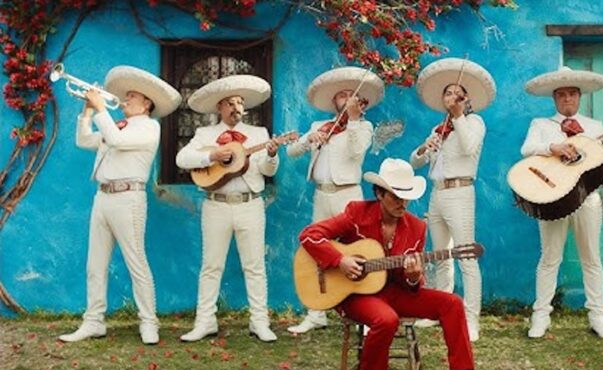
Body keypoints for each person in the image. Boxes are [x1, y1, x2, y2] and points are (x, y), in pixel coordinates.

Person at [299, 158, 500, 370]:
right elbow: (309, 235)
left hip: (393, 292)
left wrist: (413, 277)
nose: (402, 203)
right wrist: (340, 260)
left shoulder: (417, 227)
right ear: (379, 194)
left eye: (406, 197)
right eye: (395, 196)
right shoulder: (356, 213)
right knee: (386, 319)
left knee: (451, 303)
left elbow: (412, 286)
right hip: (354, 293)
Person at [59, 66, 181, 344]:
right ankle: (93, 321)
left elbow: (115, 140)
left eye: (132, 96)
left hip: (129, 199)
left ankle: (149, 322)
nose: (125, 100)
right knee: (95, 264)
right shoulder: (118, 125)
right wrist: (87, 112)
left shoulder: (150, 127)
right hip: (102, 197)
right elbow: (83, 140)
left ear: (146, 104)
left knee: (136, 262)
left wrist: (101, 109)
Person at [520, 67, 603, 340]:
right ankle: (541, 316)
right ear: (554, 98)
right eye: (561, 94)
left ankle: (598, 316)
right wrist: (552, 147)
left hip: (587, 199)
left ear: (579, 97)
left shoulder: (594, 127)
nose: (567, 98)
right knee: (549, 258)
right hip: (552, 199)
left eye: (572, 94)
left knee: (591, 258)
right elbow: (526, 150)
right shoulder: (541, 124)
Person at [175, 75, 279, 342]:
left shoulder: (259, 133)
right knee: (211, 266)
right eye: (230, 103)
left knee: (254, 266)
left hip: (250, 204)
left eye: (240, 103)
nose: (236, 107)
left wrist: (271, 155)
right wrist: (212, 155)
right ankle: (205, 322)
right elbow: (182, 158)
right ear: (219, 107)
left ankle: (260, 322)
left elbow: (268, 171)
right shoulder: (205, 134)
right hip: (216, 205)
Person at [286, 67, 384, 334]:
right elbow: (292, 151)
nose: (347, 98)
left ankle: (365, 313)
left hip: (347, 194)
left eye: (351, 95)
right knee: (316, 247)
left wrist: (353, 119)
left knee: (357, 251)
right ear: (334, 101)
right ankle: (316, 313)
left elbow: (356, 151)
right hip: (322, 193)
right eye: (342, 95)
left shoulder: (363, 126)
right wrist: (309, 139)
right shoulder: (319, 126)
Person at [409, 58, 496, 342]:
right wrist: (424, 148)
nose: (452, 96)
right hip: (437, 193)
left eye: (458, 93)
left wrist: (459, 116)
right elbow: (415, 162)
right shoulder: (438, 129)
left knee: (465, 257)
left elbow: (470, 147)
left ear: (466, 99)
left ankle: (471, 320)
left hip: (460, 192)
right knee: (440, 256)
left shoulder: (474, 122)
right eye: (448, 93)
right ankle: (439, 310)